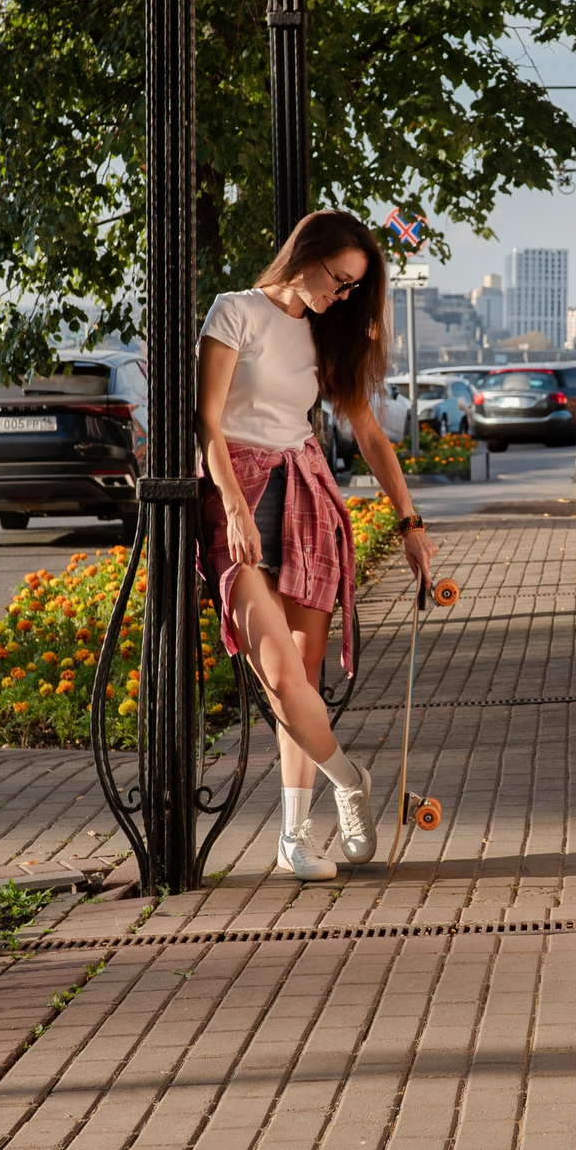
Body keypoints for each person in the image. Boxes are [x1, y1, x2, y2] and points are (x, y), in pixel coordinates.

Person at [199, 210, 437, 881]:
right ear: (304, 254)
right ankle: (349, 776)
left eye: (353, 286)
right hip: (234, 494)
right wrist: (236, 510)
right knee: (275, 675)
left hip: (303, 495)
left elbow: (369, 435)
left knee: (302, 678)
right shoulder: (235, 312)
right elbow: (207, 423)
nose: (341, 294)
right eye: (338, 278)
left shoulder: (328, 335)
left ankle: (295, 838)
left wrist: (410, 525)